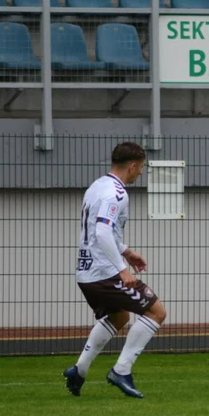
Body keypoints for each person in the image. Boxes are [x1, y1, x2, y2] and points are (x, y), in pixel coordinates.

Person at [63, 142, 167, 399]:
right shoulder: (117, 194)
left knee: (119, 318)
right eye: (140, 168)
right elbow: (101, 231)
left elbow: (97, 228)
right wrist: (122, 269)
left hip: (86, 272)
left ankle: (79, 370)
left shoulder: (97, 186)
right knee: (156, 311)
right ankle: (121, 370)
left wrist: (126, 250)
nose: (140, 174)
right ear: (131, 166)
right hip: (105, 273)